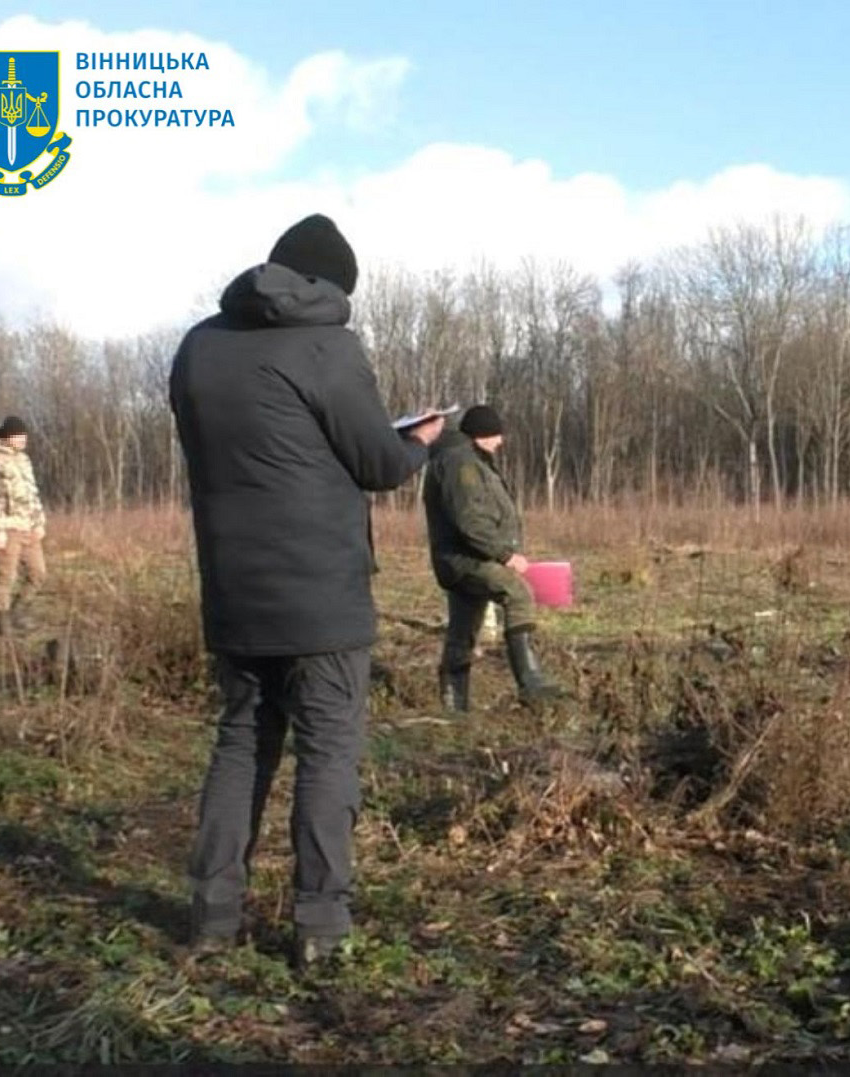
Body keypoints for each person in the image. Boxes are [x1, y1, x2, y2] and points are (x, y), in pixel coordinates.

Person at [169, 213, 445, 968]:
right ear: (330, 285)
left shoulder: (198, 346)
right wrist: (419, 439)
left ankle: (213, 917)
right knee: (328, 752)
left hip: (233, 585)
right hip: (321, 593)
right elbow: (377, 464)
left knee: (240, 744)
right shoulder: (329, 343)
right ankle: (321, 924)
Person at [423, 404, 562, 711]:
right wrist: (505, 554)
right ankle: (530, 682)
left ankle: (454, 707)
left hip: (463, 559)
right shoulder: (462, 465)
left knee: (463, 632)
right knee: (518, 593)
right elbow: (470, 520)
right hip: (467, 560)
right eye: (496, 435)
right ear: (482, 435)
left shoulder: (468, 460)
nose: (500, 442)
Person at [0, 415, 47, 637]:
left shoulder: (23, 461)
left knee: (38, 574)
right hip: (7, 528)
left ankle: (17, 614)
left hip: (28, 526)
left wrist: (39, 521)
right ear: (7, 437)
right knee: (7, 577)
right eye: (18, 435)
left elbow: (31, 494)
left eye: (24, 435)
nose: (23, 439)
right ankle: (3, 625)